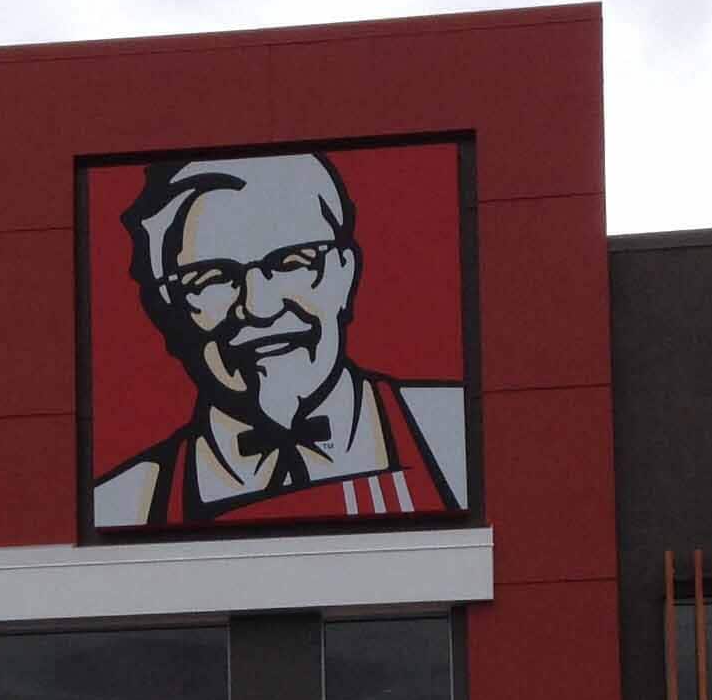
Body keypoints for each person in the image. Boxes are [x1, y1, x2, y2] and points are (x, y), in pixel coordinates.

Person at [91, 148, 470, 531]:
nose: (259, 307)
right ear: (169, 311)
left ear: (345, 274)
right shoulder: (125, 505)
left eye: (291, 262)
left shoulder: (452, 437)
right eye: (211, 279)